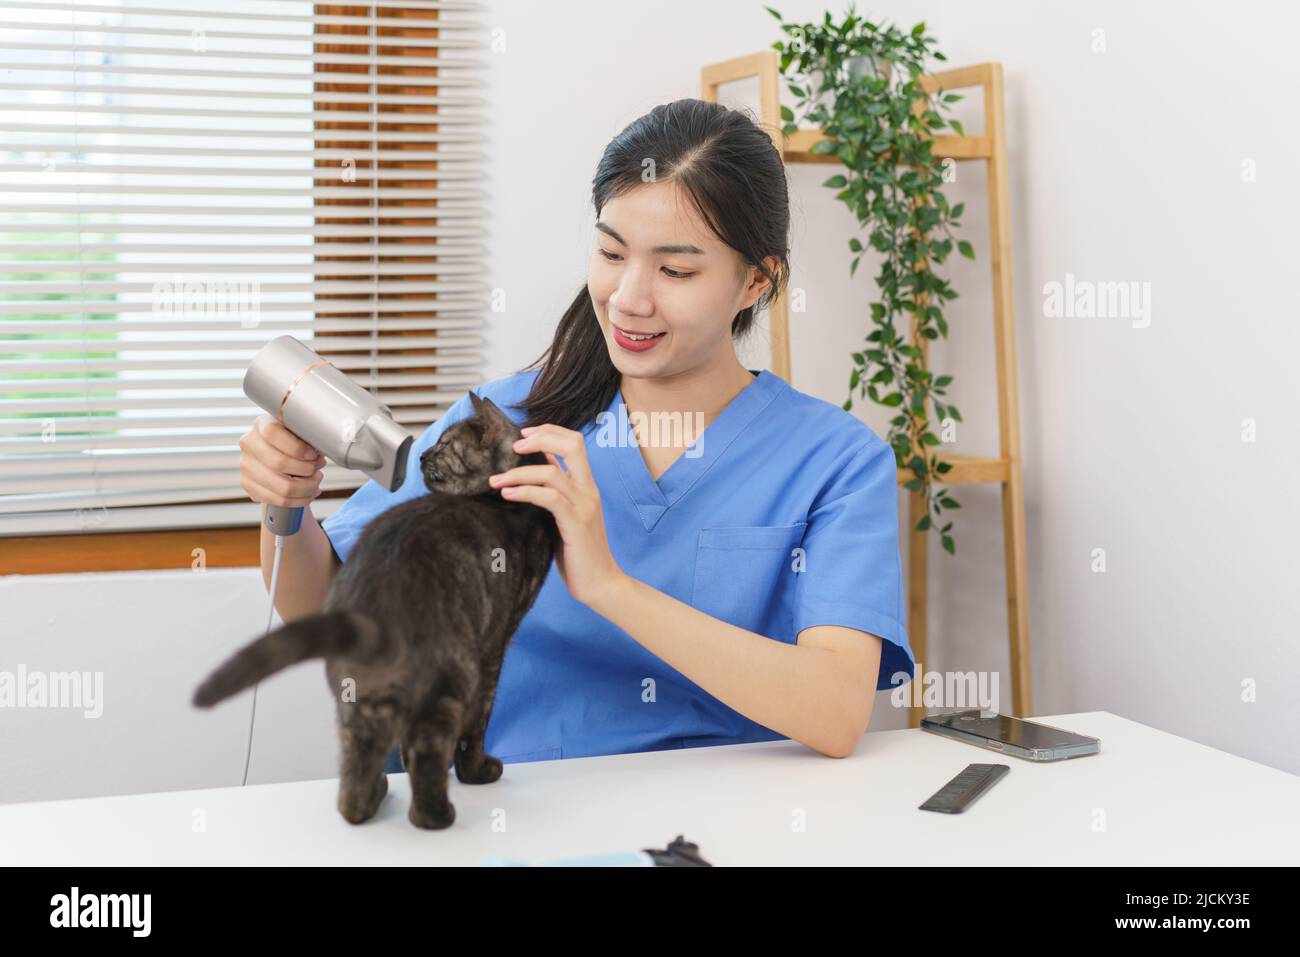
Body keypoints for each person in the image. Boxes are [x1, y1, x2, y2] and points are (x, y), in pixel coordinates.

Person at [237, 98, 914, 773]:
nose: (628, 297)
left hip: (703, 829)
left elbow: (836, 711)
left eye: (676, 270)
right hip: (495, 816)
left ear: (756, 281)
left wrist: (609, 585)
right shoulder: (502, 425)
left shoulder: (836, 461)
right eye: (612, 252)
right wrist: (287, 512)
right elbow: (324, 602)